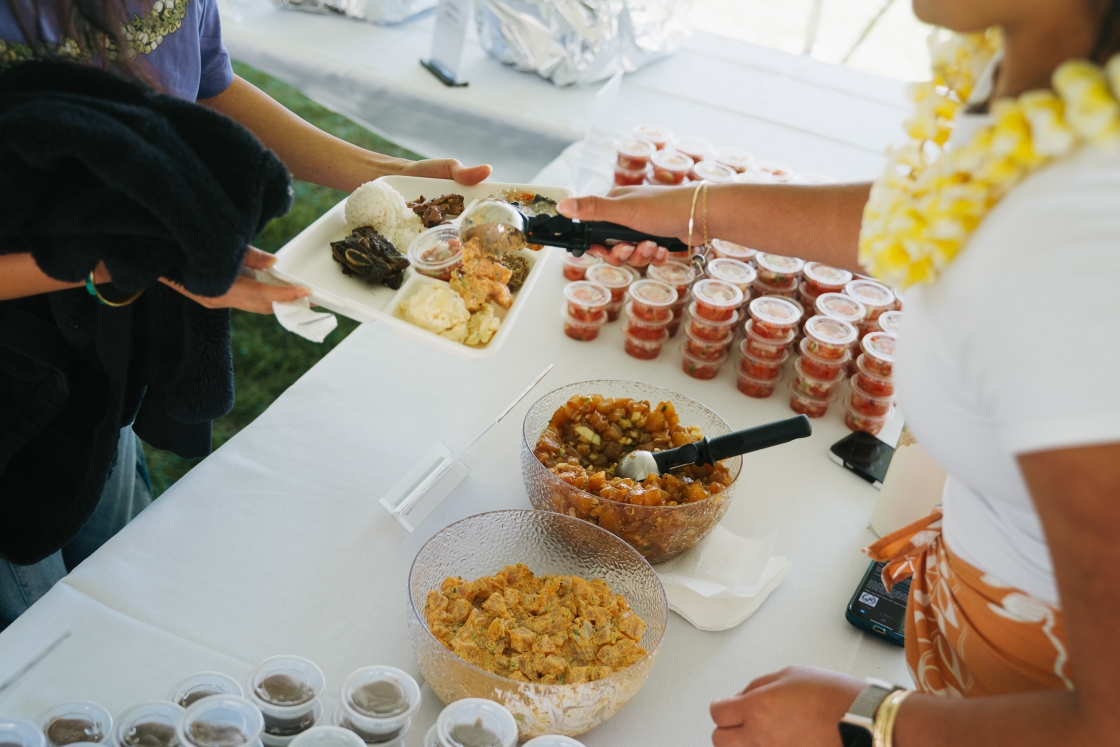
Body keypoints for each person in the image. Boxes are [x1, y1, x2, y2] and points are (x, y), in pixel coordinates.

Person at [557, 0, 1120, 744]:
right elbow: (937, 216)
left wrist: (870, 723)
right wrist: (688, 210)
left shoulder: (1084, 253)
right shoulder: (1059, 71)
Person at [0, 0, 490, 629]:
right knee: (36, 630)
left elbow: (205, 85)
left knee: (121, 570)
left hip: (99, 342)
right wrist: (137, 257)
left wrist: (388, 173)